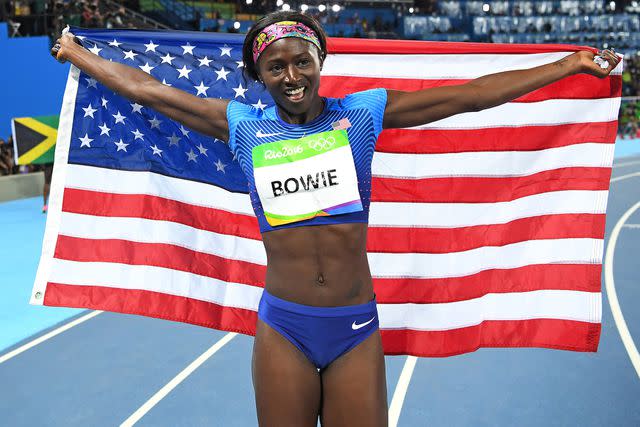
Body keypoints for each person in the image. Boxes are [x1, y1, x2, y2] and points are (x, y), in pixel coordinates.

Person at [50, 11, 620, 426]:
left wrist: (566, 65)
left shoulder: (361, 116)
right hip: (284, 327)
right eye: (276, 67)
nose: (292, 75)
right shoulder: (244, 125)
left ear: (321, 62)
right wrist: (77, 53)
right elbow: (150, 92)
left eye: (302, 61)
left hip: (353, 326)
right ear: (260, 75)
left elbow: (465, 96)